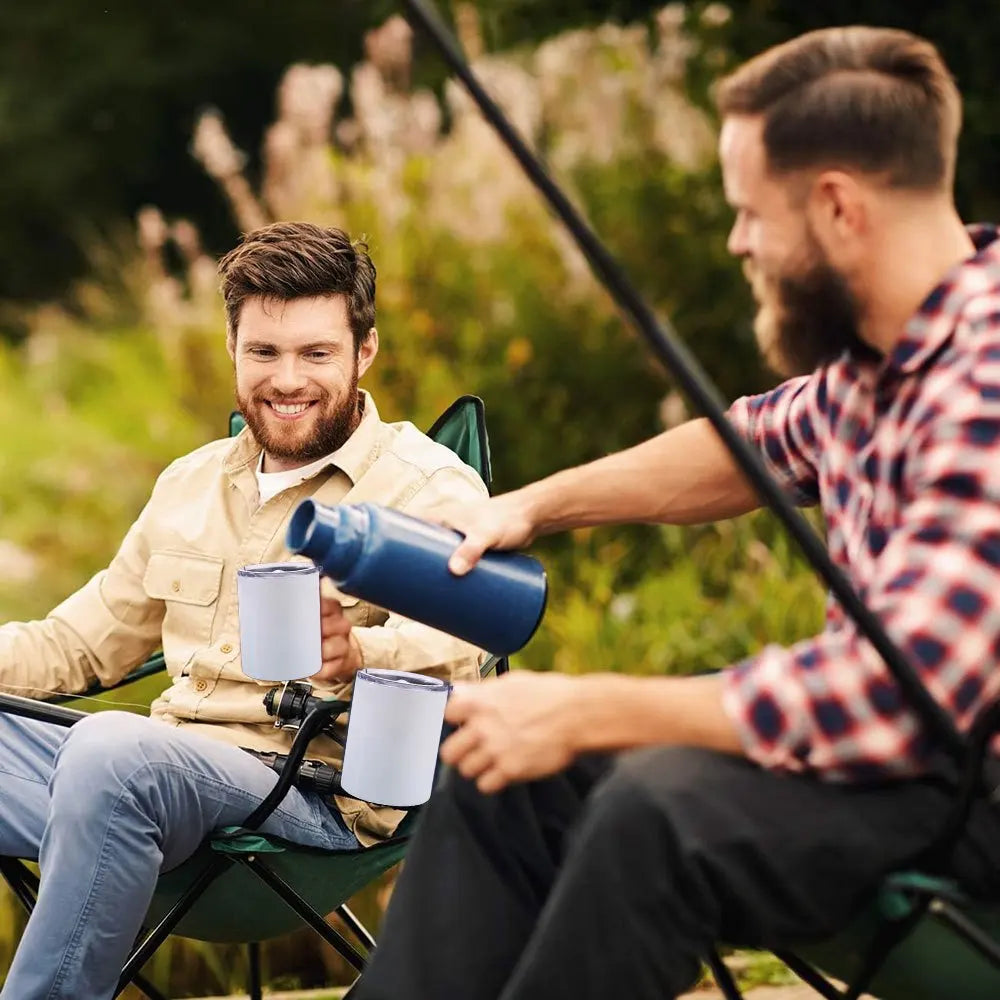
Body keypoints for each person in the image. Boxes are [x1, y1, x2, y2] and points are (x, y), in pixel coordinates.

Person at [350, 26, 1000, 1000]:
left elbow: (905, 695)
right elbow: (748, 447)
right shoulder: (887, 356)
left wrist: (586, 706)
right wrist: (530, 505)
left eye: (748, 213)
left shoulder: (981, 379)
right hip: (892, 776)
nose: (736, 241)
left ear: (836, 207)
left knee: (657, 807)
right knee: (508, 768)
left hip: (963, 792)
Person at [0, 221, 487, 1000]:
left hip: (307, 794)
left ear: (365, 352)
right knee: (112, 755)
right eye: (263, 352)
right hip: (153, 774)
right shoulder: (188, 485)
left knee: (112, 753)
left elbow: (461, 649)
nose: (286, 379)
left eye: (315, 353)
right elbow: (77, 645)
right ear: (233, 349)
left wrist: (359, 655)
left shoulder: (427, 489)